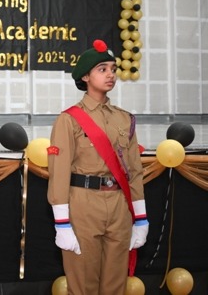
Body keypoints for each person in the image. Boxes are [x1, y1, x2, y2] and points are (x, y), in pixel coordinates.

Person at [47, 39, 149, 294]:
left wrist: (140, 218)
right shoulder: (69, 120)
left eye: (113, 69)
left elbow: (135, 172)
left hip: (119, 205)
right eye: (102, 69)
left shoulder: (124, 119)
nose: (110, 75)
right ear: (85, 76)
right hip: (83, 204)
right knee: (84, 285)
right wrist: (62, 223)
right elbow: (59, 173)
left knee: (116, 285)